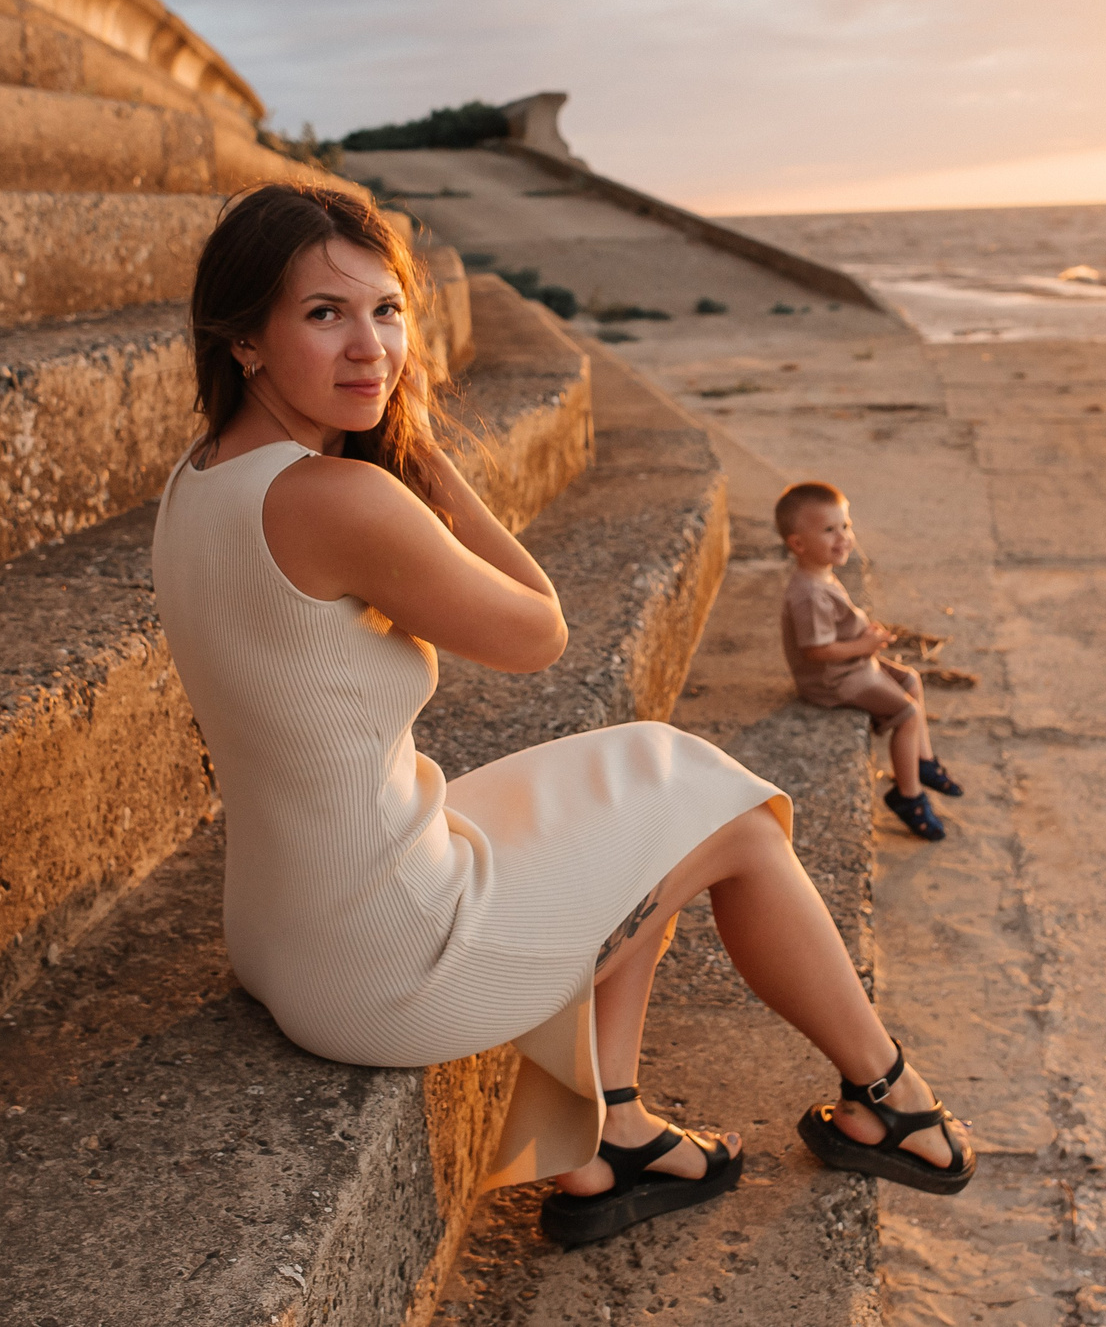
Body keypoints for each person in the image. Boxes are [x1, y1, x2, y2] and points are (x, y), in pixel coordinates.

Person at [150, 184, 974, 1248]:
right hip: (387, 955)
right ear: (245, 339)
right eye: (324, 314)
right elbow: (539, 630)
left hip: (284, 927)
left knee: (653, 784)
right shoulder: (337, 497)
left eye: (386, 310)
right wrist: (429, 466)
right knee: (728, 818)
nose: (371, 348)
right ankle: (886, 1095)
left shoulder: (195, 477)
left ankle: (611, 1132)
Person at [776, 481, 965, 842]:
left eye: (845, 526)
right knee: (907, 715)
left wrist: (866, 640)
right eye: (829, 531)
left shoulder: (820, 575)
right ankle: (908, 797)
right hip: (832, 680)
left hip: (851, 665)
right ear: (798, 544)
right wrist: (864, 644)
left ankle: (923, 762)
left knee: (910, 679)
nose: (843, 537)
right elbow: (816, 652)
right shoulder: (809, 594)